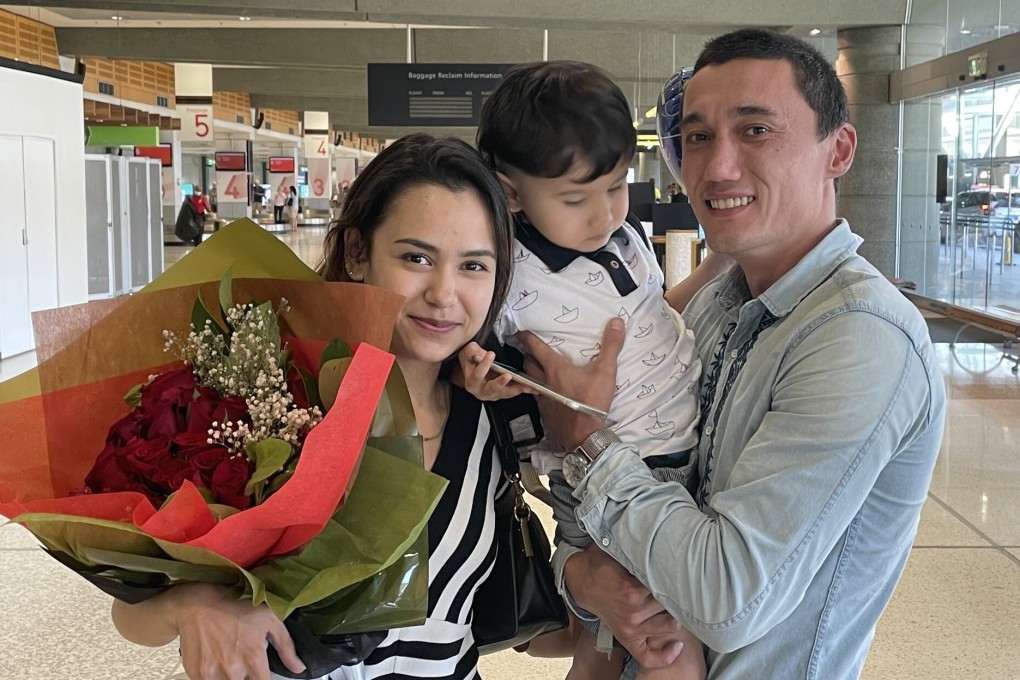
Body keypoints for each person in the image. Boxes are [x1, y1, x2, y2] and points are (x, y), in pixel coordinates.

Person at [515, 28, 948, 680]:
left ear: (840, 150)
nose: (716, 166)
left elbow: (727, 597)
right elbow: (610, 544)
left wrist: (587, 442)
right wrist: (584, 573)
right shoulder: (719, 304)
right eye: (695, 137)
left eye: (755, 131)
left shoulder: (859, 338)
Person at [109, 134, 517, 680]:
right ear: (356, 252)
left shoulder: (494, 418)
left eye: (473, 266)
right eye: (416, 257)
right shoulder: (271, 412)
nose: (444, 294)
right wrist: (192, 606)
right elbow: (129, 610)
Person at [462, 60, 717, 680]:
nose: (603, 213)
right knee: (666, 647)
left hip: (671, 462)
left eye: (615, 186)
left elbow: (649, 315)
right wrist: (474, 377)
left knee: (604, 645)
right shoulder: (509, 271)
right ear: (513, 192)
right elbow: (466, 352)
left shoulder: (622, 239)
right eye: (576, 199)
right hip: (610, 473)